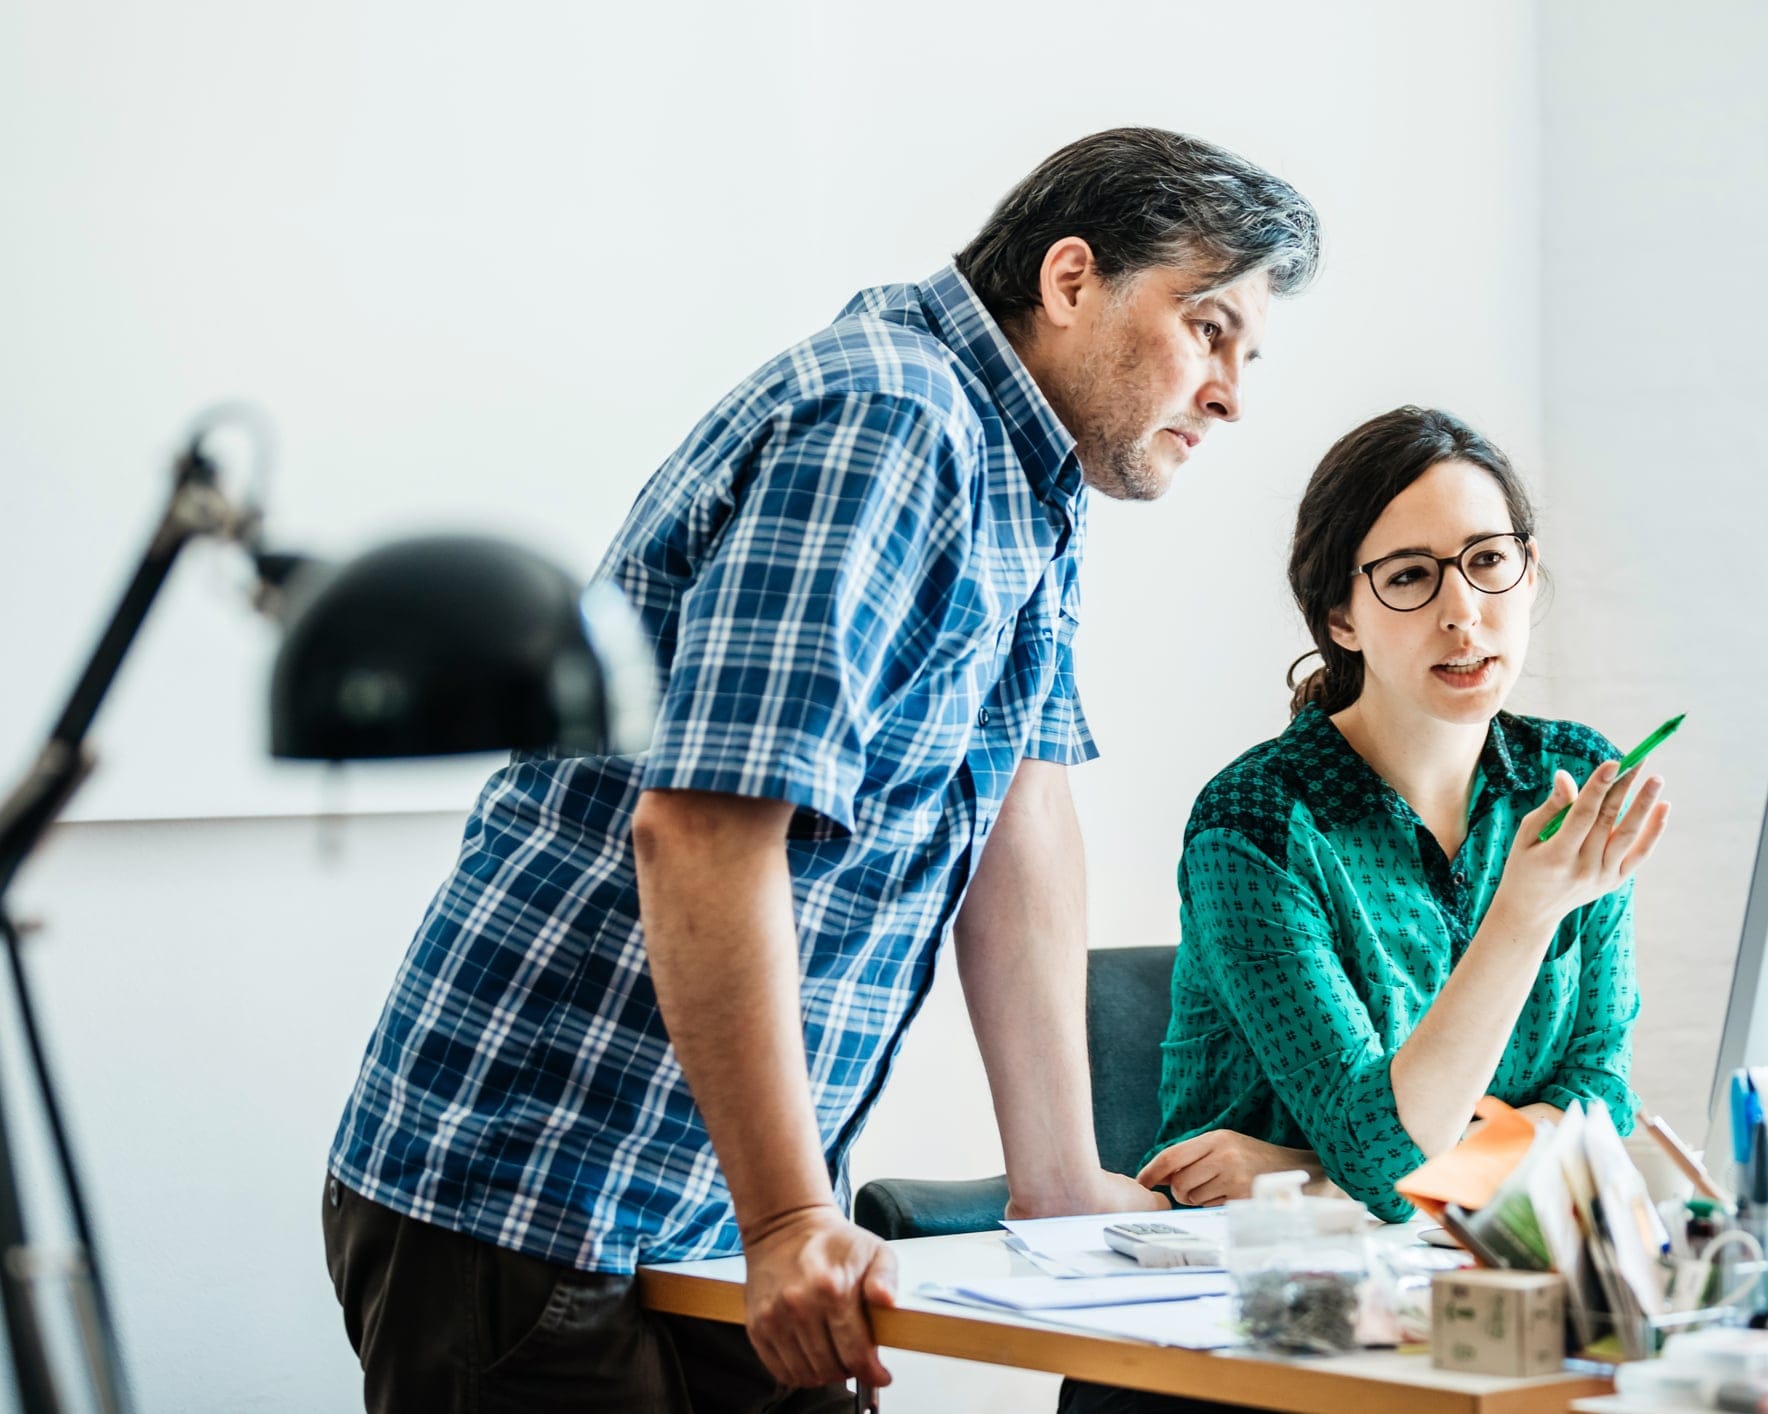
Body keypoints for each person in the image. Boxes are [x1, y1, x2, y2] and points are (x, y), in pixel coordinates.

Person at [320, 127, 1320, 1414]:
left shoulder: (1032, 475)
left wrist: (1060, 1175)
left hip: (709, 1210)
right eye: (1209, 326)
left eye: (1250, 350)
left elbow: (1025, 809)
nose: (1233, 389)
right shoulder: (892, 421)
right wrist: (793, 1213)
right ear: (1072, 281)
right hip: (542, 1191)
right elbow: (702, 828)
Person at [1059, 406, 1669, 1414]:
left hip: (1459, 1312)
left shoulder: (1567, 776)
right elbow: (1394, 1164)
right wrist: (1519, 918)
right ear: (1340, 615)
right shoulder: (1259, 819)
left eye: (1488, 561)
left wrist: (1310, 1174)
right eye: (1410, 576)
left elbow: (1599, 1096)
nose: (1462, 612)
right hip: (1261, 1349)